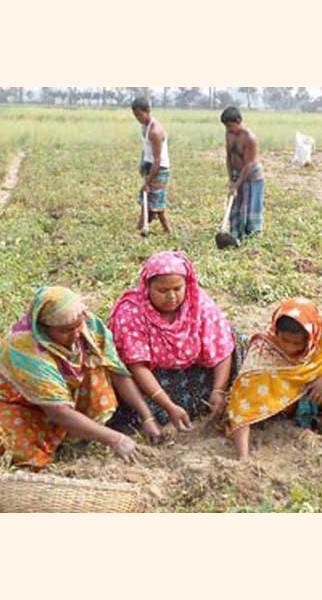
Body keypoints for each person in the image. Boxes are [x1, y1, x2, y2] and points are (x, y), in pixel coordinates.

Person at [0, 287, 160, 468]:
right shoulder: (24, 348)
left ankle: (75, 435)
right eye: (65, 330)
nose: (76, 333)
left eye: (78, 325)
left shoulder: (88, 325)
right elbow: (57, 411)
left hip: (63, 398)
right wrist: (115, 439)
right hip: (19, 404)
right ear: (43, 328)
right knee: (10, 443)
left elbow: (117, 372)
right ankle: (62, 439)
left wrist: (147, 416)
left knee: (97, 368)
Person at [226, 298, 322, 461]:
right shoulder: (264, 349)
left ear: (311, 337)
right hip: (286, 402)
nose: (289, 348)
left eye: (297, 343)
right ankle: (292, 417)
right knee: (262, 386)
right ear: (275, 331)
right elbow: (242, 403)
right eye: (284, 340)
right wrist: (243, 456)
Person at [107, 251, 242, 433]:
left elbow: (221, 347)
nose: (171, 296)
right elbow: (137, 366)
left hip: (195, 371)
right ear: (148, 287)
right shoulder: (131, 313)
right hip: (155, 378)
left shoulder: (199, 303)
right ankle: (161, 413)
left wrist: (218, 390)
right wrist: (168, 406)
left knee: (237, 342)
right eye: (162, 291)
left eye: (178, 289)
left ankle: (211, 403)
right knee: (137, 406)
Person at [221, 106, 264, 241]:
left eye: (230, 126)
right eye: (226, 127)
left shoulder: (249, 138)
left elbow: (249, 164)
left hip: (251, 176)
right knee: (236, 206)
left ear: (239, 120)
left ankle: (252, 236)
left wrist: (237, 184)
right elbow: (229, 157)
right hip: (237, 173)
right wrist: (231, 180)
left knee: (250, 207)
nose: (228, 129)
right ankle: (235, 233)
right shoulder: (229, 135)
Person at [131, 97, 172, 234]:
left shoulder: (155, 131)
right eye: (135, 116)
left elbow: (157, 160)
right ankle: (141, 227)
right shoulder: (145, 127)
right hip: (150, 166)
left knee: (156, 204)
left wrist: (147, 182)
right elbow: (146, 149)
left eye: (140, 115)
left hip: (159, 169)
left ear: (147, 111)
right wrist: (142, 163)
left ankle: (168, 231)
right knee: (146, 201)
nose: (138, 118)